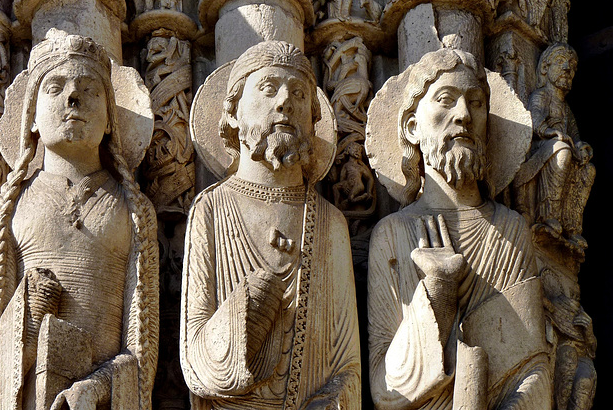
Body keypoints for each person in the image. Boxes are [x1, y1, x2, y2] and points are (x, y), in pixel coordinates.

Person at [366, 48, 551, 409]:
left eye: (476, 103)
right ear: (412, 127)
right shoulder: (392, 234)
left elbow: (536, 369)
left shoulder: (509, 229)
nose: (464, 115)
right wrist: (438, 292)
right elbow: (383, 388)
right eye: (446, 100)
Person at [180, 41, 360, 410]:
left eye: (298, 92)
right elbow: (194, 361)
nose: (284, 102)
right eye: (267, 88)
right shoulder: (210, 207)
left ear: (312, 117)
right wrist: (241, 314)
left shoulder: (330, 222)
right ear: (234, 112)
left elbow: (348, 365)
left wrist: (329, 401)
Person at [0, 33, 158, 410]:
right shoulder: (11, 207)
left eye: (89, 88)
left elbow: (142, 343)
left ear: (110, 119)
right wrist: (27, 320)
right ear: (31, 117)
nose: (73, 98)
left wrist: (97, 386)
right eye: (55, 87)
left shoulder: (133, 209)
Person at [513, 43, 594, 246]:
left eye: (572, 65)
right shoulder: (542, 96)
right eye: (560, 62)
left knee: (588, 170)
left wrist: (581, 147)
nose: (567, 68)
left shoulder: (566, 109)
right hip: (542, 151)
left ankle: (571, 225)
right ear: (544, 68)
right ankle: (547, 214)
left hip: (560, 147)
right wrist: (549, 132)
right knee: (563, 151)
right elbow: (535, 119)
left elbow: (574, 135)